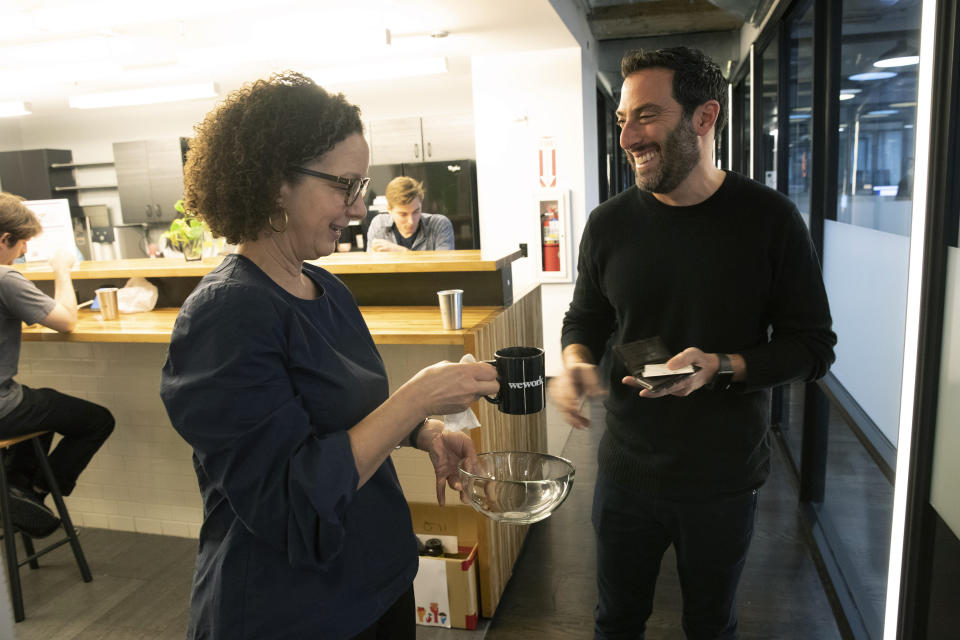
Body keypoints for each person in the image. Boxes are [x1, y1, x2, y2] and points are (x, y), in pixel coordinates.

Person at [159, 72, 499, 640]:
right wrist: (419, 394)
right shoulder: (226, 316)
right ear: (273, 183)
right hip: (293, 609)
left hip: (377, 580)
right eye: (345, 185)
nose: (359, 207)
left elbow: (344, 419)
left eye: (362, 186)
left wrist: (423, 430)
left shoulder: (325, 287)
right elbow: (293, 503)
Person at [549, 47, 836, 640]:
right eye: (623, 119)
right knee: (615, 621)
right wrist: (576, 361)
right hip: (626, 472)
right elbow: (585, 318)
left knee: (710, 625)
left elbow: (813, 347)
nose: (627, 136)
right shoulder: (608, 224)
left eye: (646, 116)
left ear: (705, 118)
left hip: (722, 480)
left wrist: (722, 366)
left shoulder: (770, 221)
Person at [0, 192, 115, 538]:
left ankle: (14, 489)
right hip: (2, 407)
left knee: (44, 407)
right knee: (97, 420)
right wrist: (61, 271)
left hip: (9, 403)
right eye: (21, 245)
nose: (23, 253)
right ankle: (32, 495)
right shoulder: (5, 278)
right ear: (4, 239)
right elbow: (66, 320)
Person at [366, 176, 455, 251]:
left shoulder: (439, 225)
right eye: (403, 214)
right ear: (389, 209)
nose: (411, 221)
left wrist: (402, 252)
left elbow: (444, 268)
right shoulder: (379, 224)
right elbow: (371, 267)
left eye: (416, 211)